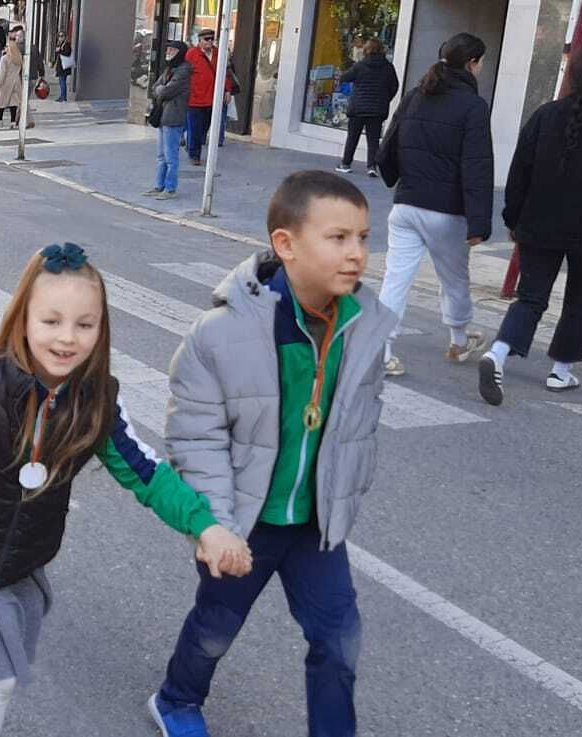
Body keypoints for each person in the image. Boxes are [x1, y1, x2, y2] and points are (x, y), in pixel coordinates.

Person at [0, 243, 250, 737]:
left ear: (101, 328)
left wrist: (205, 525)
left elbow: (146, 472)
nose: (67, 337)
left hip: (26, 548)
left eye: (85, 324)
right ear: (23, 318)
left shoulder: (97, 402)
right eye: (51, 321)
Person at [149, 171, 396, 737]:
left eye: (363, 237)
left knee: (339, 640)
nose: (357, 253)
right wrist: (216, 524)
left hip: (315, 524)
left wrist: (345, 493)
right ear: (286, 244)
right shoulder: (221, 334)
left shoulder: (363, 326)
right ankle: (176, 700)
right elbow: (196, 438)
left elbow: (360, 424)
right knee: (216, 628)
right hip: (244, 519)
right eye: (338, 238)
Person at [479, 37, 582, 405]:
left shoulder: (545, 115)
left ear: (574, 71)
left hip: (539, 223)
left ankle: (498, 353)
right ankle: (561, 371)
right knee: (580, 299)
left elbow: (519, 172)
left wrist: (513, 218)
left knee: (531, 297)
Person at [375, 32, 492, 377]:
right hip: (447, 212)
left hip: (406, 205)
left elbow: (388, 145)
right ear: (471, 63)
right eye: (481, 62)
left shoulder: (416, 94)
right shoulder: (473, 106)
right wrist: (479, 222)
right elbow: (477, 166)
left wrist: (396, 178)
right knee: (454, 279)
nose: (482, 68)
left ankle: (381, 350)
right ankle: (458, 340)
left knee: (395, 280)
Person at [336, 38, 398, 176]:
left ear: (366, 50)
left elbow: (344, 77)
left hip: (358, 108)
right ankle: (371, 167)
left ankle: (346, 164)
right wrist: (385, 99)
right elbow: (394, 86)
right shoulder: (388, 67)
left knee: (353, 137)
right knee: (373, 139)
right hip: (377, 109)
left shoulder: (360, 66)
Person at [185, 28, 236, 166]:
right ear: (199, 40)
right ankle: (194, 154)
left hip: (212, 99)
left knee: (204, 128)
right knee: (195, 128)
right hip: (195, 99)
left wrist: (227, 90)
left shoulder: (218, 53)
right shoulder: (192, 54)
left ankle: (191, 144)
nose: (210, 42)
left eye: (212, 39)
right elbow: (184, 73)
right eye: (206, 39)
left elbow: (225, 73)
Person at [147, 41, 190, 201]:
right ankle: (159, 186)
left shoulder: (184, 70)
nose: (169, 52)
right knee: (161, 155)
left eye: (172, 50)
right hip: (163, 116)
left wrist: (161, 90)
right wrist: (161, 90)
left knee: (171, 156)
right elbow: (155, 87)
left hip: (173, 117)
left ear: (180, 52)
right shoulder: (169, 69)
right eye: (168, 49)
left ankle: (170, 188)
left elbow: (167, 91)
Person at [0, 41, 23, 128]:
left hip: (6, 82)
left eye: (7, 47)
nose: (5, 48)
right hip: (16, 82)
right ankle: (13, 122)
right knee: (13, 102)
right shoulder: (18, 58)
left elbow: (2, 72)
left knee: (1, 101)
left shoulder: (5, 58)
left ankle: (0, 120)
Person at [53, 36, 73, 102]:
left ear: (64, 37)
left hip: (64, 67)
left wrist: (59, 51)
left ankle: (63, 97)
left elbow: (67, 53)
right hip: (61, 67)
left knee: (62, 82)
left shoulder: (67, 44)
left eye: (62, 36)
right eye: (59, 36)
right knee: (61, 81)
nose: (60, 38)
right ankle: (62, 96)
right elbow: (57, 55)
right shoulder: (60, 44)